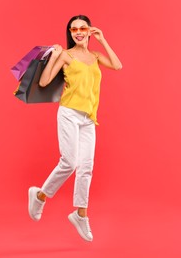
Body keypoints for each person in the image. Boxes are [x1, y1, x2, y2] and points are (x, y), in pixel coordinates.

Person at [28, 15, 122, 242]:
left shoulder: (96, 56)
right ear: (70, 33)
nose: (78, 32)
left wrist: (103, 39)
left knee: (86, 167)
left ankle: (80, 214)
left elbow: (118, 66)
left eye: (83, 28)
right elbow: (44, 82)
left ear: (89, 30)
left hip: (89, 118)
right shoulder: (67, 55)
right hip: (69, 113)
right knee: (69, 162)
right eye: (74, 29)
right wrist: (56, 55)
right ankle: (40, 195)